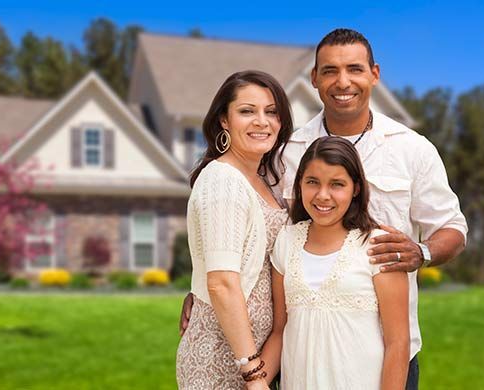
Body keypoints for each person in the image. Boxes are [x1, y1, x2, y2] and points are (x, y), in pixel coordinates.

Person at [180, 28, 468, 389]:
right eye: (330, 70)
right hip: (299, 351)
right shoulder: (286, 151)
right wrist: (206, 288)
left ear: (374, 74)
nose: (342, 81)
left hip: (391, 352)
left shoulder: (413, 149)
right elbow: (249, 226)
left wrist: (420, 252)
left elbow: (453, 228)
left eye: (355, 69)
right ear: (314, 79)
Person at [175, 70, 292, 390]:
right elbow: (222, 283)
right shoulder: (222, 180)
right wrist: (253, 375)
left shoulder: (267, 181)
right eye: (246, 111)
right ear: (224, 120)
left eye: (271, 112)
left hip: (256, 357)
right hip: (223, 357)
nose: (262, 121)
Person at [270, 136, 409, 389]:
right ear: (299, 184)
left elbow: (398, 343)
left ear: (355, 188)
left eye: (337, 184)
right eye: (312, 182)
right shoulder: (286, 241)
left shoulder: (379, 246)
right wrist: (254, 381)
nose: (323, 196)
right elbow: (280, 330)